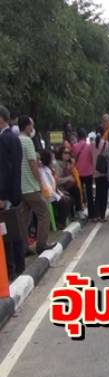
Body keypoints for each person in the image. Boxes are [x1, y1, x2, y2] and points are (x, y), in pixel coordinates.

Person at [16, 116, 53, 254]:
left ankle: (24, 248)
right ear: (27, 126)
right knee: (44, 213)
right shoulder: (27, 141)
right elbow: (33, 165)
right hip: (31, 186)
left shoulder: (16, 140)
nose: (33, 128)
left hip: (21, 186)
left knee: (24, 219)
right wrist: (40, 182)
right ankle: (41, 244)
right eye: (32, 125)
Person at [0, 105, 26, 279]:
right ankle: (19, 264)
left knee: (6, 232)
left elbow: (4, 170)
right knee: (15, 229)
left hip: (6, 194)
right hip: (16, 191)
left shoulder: (3, 139)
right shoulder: (15, 138)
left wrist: (2, 196)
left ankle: (11, 268)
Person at [38, 150, 73, 230]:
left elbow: (54, 185)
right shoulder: (42, 172)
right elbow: (48, 188)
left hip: (53, 193)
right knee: (65, 201)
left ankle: (62, 220)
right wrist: (59, 196)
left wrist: (60, 194)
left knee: (69, 198)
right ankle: (60, 222)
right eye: (52, 159)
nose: (54, 161)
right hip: (48, 195)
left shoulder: (49, 170)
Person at [72, 128, 95, 220]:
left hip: (78, 174)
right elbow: (92, 159)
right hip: (88, 173)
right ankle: (91, 214)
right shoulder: (89, 146)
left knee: (79, 193)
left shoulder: (74, 146)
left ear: (78, 136)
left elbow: (74, 158)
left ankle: (80, 211)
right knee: (89, 194)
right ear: (85, 136)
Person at [54, 145, 82, 215]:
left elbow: (74, 176)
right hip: (60, 188)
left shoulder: (68, 164)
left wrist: (72, 166)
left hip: (68, 187)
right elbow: (57, 181)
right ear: (61, 154)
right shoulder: (57, 164)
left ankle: (77, 211)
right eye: (65, 153)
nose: (68, 155)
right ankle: (76, 212)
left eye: (69, 153)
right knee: (74, 191)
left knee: (76, 189)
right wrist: (68, 178)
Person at [92, 127, 109, 221]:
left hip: (95, 172)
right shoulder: (106, 143)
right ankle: (102, 215)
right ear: (103, 133)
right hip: (104, 172)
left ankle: (96, 215)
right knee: (104, 194)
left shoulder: (92, 144)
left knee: (98, 194)